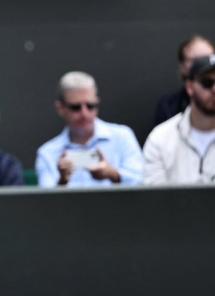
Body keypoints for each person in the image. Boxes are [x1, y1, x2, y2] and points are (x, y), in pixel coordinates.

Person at [35, 71, 143, 188]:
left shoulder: (122, 137)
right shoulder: (47, 153)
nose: (84, 113)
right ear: (60, 108)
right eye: (75, 107)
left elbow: (143, 183)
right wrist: (62, 181)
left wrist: (112, 174)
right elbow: (45, 203)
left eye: (90, 105)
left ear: (97, 102)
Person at [143, 54, 215, 184]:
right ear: (189, 87)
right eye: (207, 83)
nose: (214, 89)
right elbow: (154, 200)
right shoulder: (160, 138)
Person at [152, 34, 214, 127]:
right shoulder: (168, 107)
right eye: (195, 60)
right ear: (181, 66)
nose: (204, 65)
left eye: (209, 58)